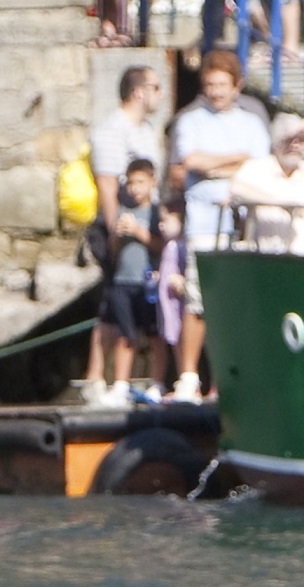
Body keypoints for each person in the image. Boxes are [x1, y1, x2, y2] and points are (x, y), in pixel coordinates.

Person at [168, 50, 272, 400]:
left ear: (237, 86)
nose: (215, 92)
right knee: (197, 298)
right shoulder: (190, 121)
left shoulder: (252, 123)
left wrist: (216, 167)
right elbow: (191, 161)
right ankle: (188, 377)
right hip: (202, 220)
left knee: (234, 302)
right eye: (210, 85)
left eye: (222, 85)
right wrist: (235, 160)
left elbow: (258, 167)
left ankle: (225, 379)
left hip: (241, 223)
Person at [83, 64, 166, 400]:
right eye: (156, 87)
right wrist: (115, 235)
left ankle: (138, 379)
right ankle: (94, 378)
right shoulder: (111, 131)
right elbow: (107, 187)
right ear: (138, 92)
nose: (160, 94)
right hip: (118, 226)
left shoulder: (146, 129)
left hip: (145, 223)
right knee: (111, 305)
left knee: (145, 306)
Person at [95, 158, 166, 405]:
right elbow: (113, 252)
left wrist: (138, 232)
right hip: (123, 280)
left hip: (148, 282)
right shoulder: (123, 211)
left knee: (155, 335)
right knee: (124, 334)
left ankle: (158, 383)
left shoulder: (156, 212)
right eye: (131, 183)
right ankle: (121, 384)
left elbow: (161, 246)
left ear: (152, 182)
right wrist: (116, 236)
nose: (135, 188)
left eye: (140, 182)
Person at [231, 113, 304, 258]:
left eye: (301, 140)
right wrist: (281, 203)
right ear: (276, 142)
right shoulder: (258, 168)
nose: (295, 145)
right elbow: (235, 189)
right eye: (289, 140)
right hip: (272, 257)